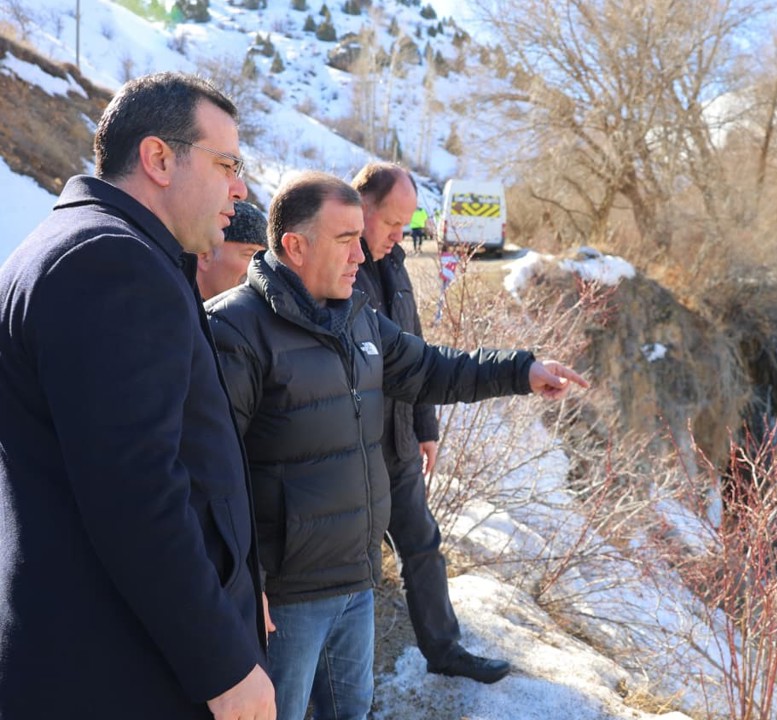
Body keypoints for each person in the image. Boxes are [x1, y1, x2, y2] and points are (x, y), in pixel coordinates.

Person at [205, 171, 587, 720]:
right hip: (286, 599)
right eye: (345, 240)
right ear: (295, 246)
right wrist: (245, 586)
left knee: (352, 711)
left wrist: (521, 370)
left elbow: (431, 369)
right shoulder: (234, 331)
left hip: (356, 580)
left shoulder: (357, 317)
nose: (360, 255)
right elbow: (212, 476)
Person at [0, 72, 274, 719]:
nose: (239, 189)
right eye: (227, 164)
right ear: (158, 158)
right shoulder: (112, 263)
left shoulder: (81, 246)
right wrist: (224, 665)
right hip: (121, 671)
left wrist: (239, 582)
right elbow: (137, 494)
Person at [351, 162, 511, 683]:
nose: (401, 235)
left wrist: (426, 428)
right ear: (362, 207)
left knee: (421, 544)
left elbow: (416, 352)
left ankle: (444, 652)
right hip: (351, 449)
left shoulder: (396, 263)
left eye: (406, 223)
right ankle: (345, 681)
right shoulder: (338, 264)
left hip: (398, 442)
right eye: (392, 222)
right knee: (353, 570)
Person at [198, 198, 269, 299]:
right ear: (204, 256)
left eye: (263, 260)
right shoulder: (175, 303)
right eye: (249, 255)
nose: (259, 270)